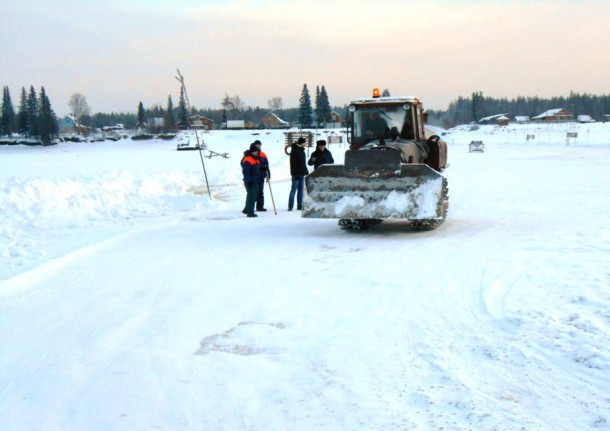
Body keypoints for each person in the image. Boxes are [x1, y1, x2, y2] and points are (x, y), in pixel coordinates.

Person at [288, 137, 309, 211]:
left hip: (302, 173)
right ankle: (290, 206)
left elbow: (303, 162)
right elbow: (293, 164)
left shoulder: (301, 150)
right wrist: (296, 174)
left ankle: (299, 205)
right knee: (293, 190)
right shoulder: (294, 150)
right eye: (305, 142)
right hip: (296, 174)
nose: (306, 144)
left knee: (301, 190)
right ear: (301, 143)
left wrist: (306, 170)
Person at [241, 143, 261, 217]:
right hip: (250, 181)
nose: (256, 152)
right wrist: (249, 181)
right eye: (255, 151)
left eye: (257, 151)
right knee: (252, 196)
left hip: (255, 180)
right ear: (252, 152)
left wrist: (263, 168)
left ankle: (246, 209)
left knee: (254, 195)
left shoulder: (256, 159)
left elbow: (256, 169)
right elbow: (246, 172)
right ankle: (250, 212)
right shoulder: (247, 159)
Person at [252, 140, 270, 212]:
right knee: (253, 192)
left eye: (259, 145)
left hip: (261, 175)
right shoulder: (252, 153)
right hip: (254, 176)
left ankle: (260, 206)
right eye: (257, 145)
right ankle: (249, 207)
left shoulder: (263, 154)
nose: (258, 146)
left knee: (260, 191)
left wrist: (268, 175)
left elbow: (266, 165)